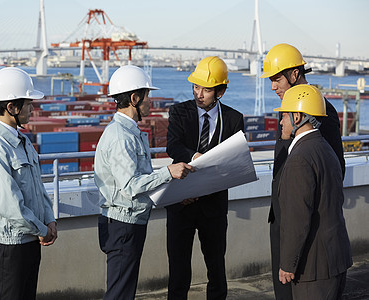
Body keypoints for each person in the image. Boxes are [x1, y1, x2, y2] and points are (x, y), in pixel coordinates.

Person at [94, 65, 195, 300]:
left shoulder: (129, 132)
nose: (151, 101)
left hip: (129, 222)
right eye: (147, 96)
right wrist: (168, 172)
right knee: (120, 293)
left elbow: (142, 182)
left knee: (124, 290)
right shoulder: (121, 137)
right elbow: (130, 186)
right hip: (122, 225)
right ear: (134, 98)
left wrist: (175, 194)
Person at [260, 43, 345, 300]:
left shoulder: (318, 111)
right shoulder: (290, 108)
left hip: (301, 222)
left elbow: (331, 167)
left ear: (294, 75)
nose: (272, 86)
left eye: (276, 79)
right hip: (285, 216)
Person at [165, 56, 244, 300]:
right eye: (196, 87)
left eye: (206, 89)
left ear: (220, 91)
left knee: (216, 271)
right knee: (178, 273)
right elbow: (173, 146)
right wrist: (195, 156)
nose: (199, 94)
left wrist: (204, 188)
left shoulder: (234, 119)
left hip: (214, 206)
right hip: (181, 204)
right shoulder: (179, 112)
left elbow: (233, 162)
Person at [0, 67, 57, 300]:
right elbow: (9, 206)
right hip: (10, 247)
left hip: (30, 239)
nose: (32, 108)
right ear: (12, 107)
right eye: (28, 103)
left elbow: (38, 188)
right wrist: (42, 230)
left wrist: (49, 219)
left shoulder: (23, 142)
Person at [275, 84, 352, 299]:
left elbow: (297, 219)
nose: (281, 121)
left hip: (313, 267)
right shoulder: (325, 148)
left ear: (297, 116)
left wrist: (287, 264)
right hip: (336, 259)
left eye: (283, 116)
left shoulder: (299, 158)